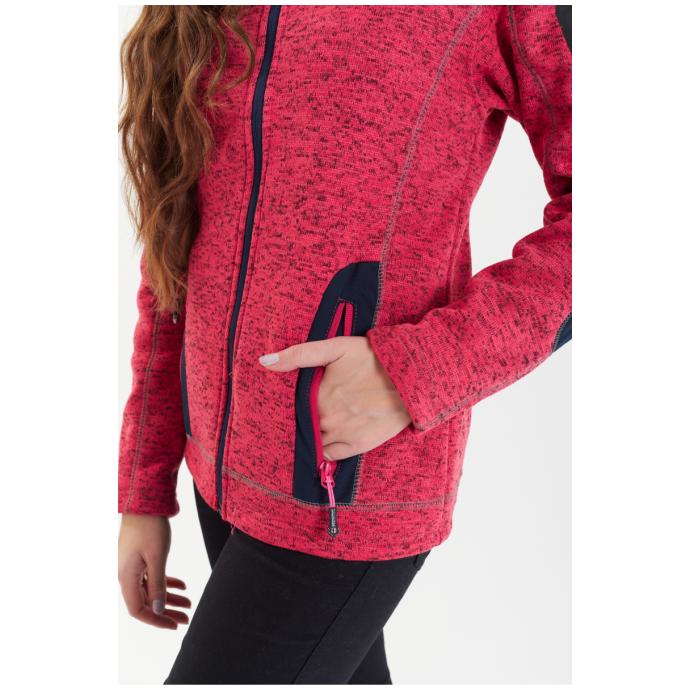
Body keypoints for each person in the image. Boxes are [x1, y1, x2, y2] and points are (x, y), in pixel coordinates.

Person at [117, 4, 572, 684]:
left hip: (347, 483)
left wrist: (417, 371)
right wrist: (145, 489)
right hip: (218, 475)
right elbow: (172, 254)